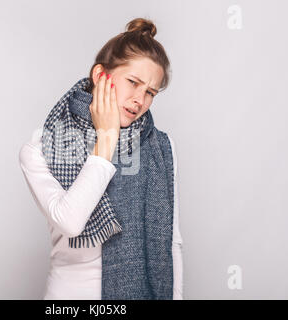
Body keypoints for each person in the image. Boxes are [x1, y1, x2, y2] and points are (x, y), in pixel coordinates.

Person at [19, 17, 183, 300]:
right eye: (133, 82)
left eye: (150, 93)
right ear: (100, 76)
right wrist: (106, 139)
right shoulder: (41, 147)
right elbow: (69, 221)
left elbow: (172, 242)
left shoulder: (160, 148)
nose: (139, 100)